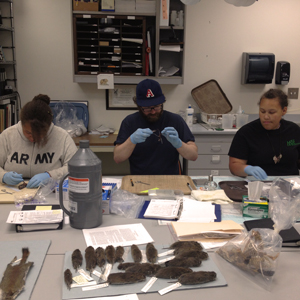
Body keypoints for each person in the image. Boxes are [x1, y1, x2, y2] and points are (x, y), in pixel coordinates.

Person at [114, 79, 198, 175]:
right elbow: (118, 158)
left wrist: (179, 143)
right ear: (139, 106)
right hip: (140, 181)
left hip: (171, 180)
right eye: (147, 108)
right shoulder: (129, 122)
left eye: (157, 106)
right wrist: (131, 140)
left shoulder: (175, 120)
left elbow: (193, 156)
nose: (153, 111)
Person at [0, 94, 78, 188]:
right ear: (22, 124)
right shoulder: (7, 135)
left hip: (49, 191)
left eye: (39, 134)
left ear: (48, 127)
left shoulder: (62, 137)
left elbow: (76, 167)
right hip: (12, 192)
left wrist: (50, 176)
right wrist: (3, 176)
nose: (32, 139)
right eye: (28, 132)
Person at [228, 89, 300, 180]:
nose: (265, 117)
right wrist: (247, 169)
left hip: (290, 185)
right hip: (258, 185)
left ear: (284, 110)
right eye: (262, 111)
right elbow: (234, 165)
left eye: (271, 112)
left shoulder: (294, 130)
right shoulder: (246, 133)